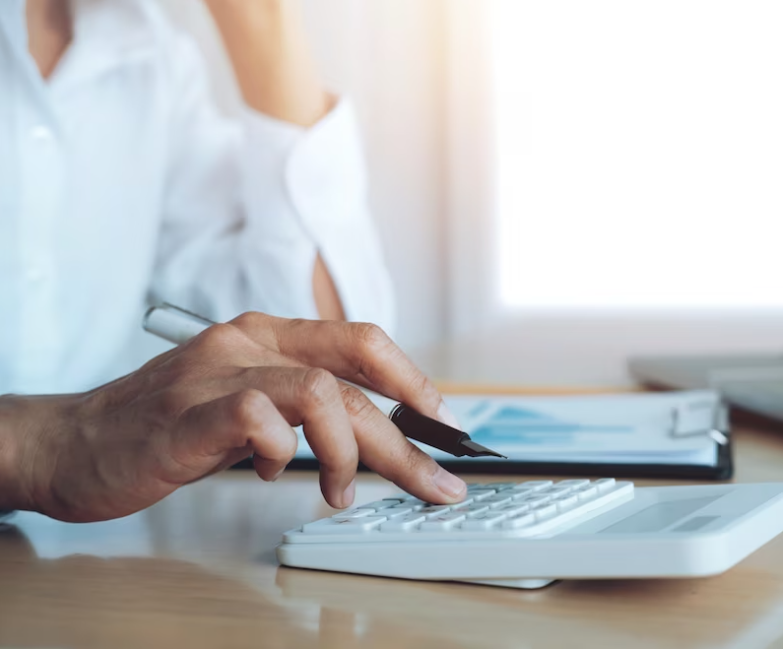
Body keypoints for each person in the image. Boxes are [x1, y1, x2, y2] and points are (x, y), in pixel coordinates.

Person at [0, 0, 467, 522]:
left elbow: (314, 361)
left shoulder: (147, 49)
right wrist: (29, 449)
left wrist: (260, 20)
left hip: (66, 564)